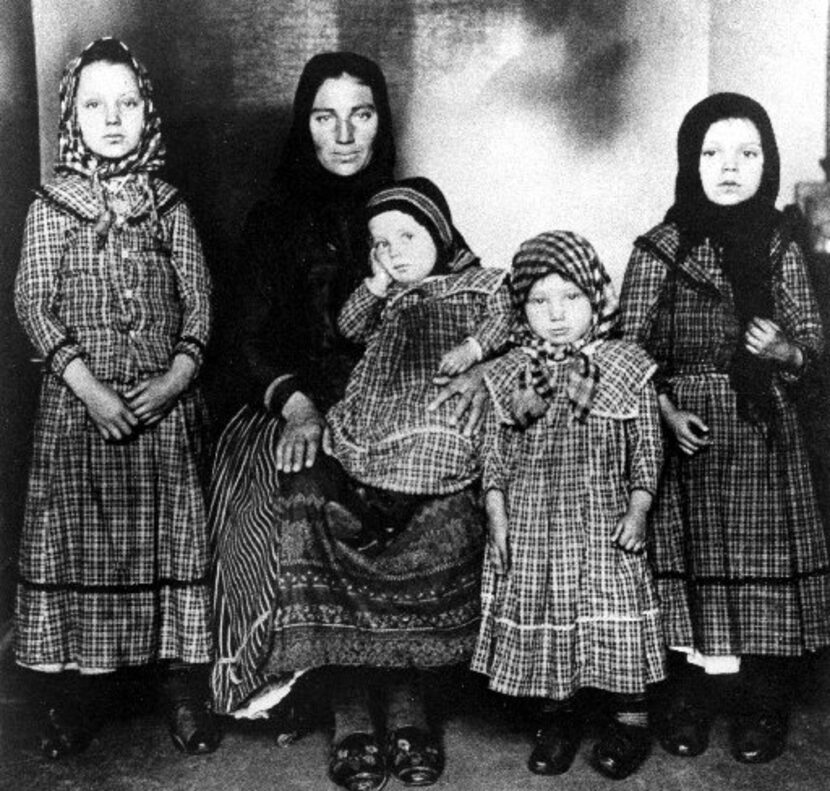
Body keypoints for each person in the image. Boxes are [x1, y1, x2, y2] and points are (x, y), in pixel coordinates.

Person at [210, 54, 485, 791]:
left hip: (403, 408)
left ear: (380, 121)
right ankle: (349, 702)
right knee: (306, 498)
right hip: (300, 402)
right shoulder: (272, 220)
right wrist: (296, 402)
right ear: (305, 125)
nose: (343, 134)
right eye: (325, 116)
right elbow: (246, 341)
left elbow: (480, 295)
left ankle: (408, 692)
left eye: (360, 114)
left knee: (447, 498)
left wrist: (482, 366)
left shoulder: (411, 207)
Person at [13, 38, 217, 758]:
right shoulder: (53, 206)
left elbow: (200, 305)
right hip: (83, 415)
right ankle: (81, 696)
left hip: (162, 415)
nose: (112, 118)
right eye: (95, 104)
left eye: (127, 103)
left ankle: (181, 689)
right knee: (89, 550)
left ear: (146, 112)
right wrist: (91, 388)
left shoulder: (167, 205)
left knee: (170, 544)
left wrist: (171, 382)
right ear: (71, 112)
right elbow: (33, 303)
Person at [618, 92, 830, 764]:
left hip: (764, 437)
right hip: (686, 436)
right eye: (712, 153)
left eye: (747, 153)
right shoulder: (660, 247)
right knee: (689, 574)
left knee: (761, 573)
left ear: (766, 164)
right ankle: (688, 697)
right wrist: (665, 411)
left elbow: (812, 347)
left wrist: (784, 354)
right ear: (690, 160)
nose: (729, 167)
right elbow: (628, 349)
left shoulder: (779, 246)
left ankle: (760, 701)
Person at [471, 231, 666, 781]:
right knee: (543, 614)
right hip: (533, 523)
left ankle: (628, 719)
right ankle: (555, 719)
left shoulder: (626, 364)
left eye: (571, 298)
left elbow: (647, 445)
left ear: (598, 298)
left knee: (615, 616)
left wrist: (639, 507)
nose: (556, 315)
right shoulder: (511, 373)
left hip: (603, 520)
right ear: (520, 308)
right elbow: (495, 450)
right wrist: (497, 513)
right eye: (539, 301)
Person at [324, 176, 510, 552]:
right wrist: (377, 282)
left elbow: (505, 318)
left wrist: (474, 349)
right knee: (363, 438)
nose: (395, 253)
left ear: (438, 235)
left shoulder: (479, 283)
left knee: (434, 435)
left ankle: (383, 517)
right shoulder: (389, 295)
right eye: (382, 244)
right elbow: (349, 328)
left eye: (407, 237)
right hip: (385, 394)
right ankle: (370, 507)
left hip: (438, 391)